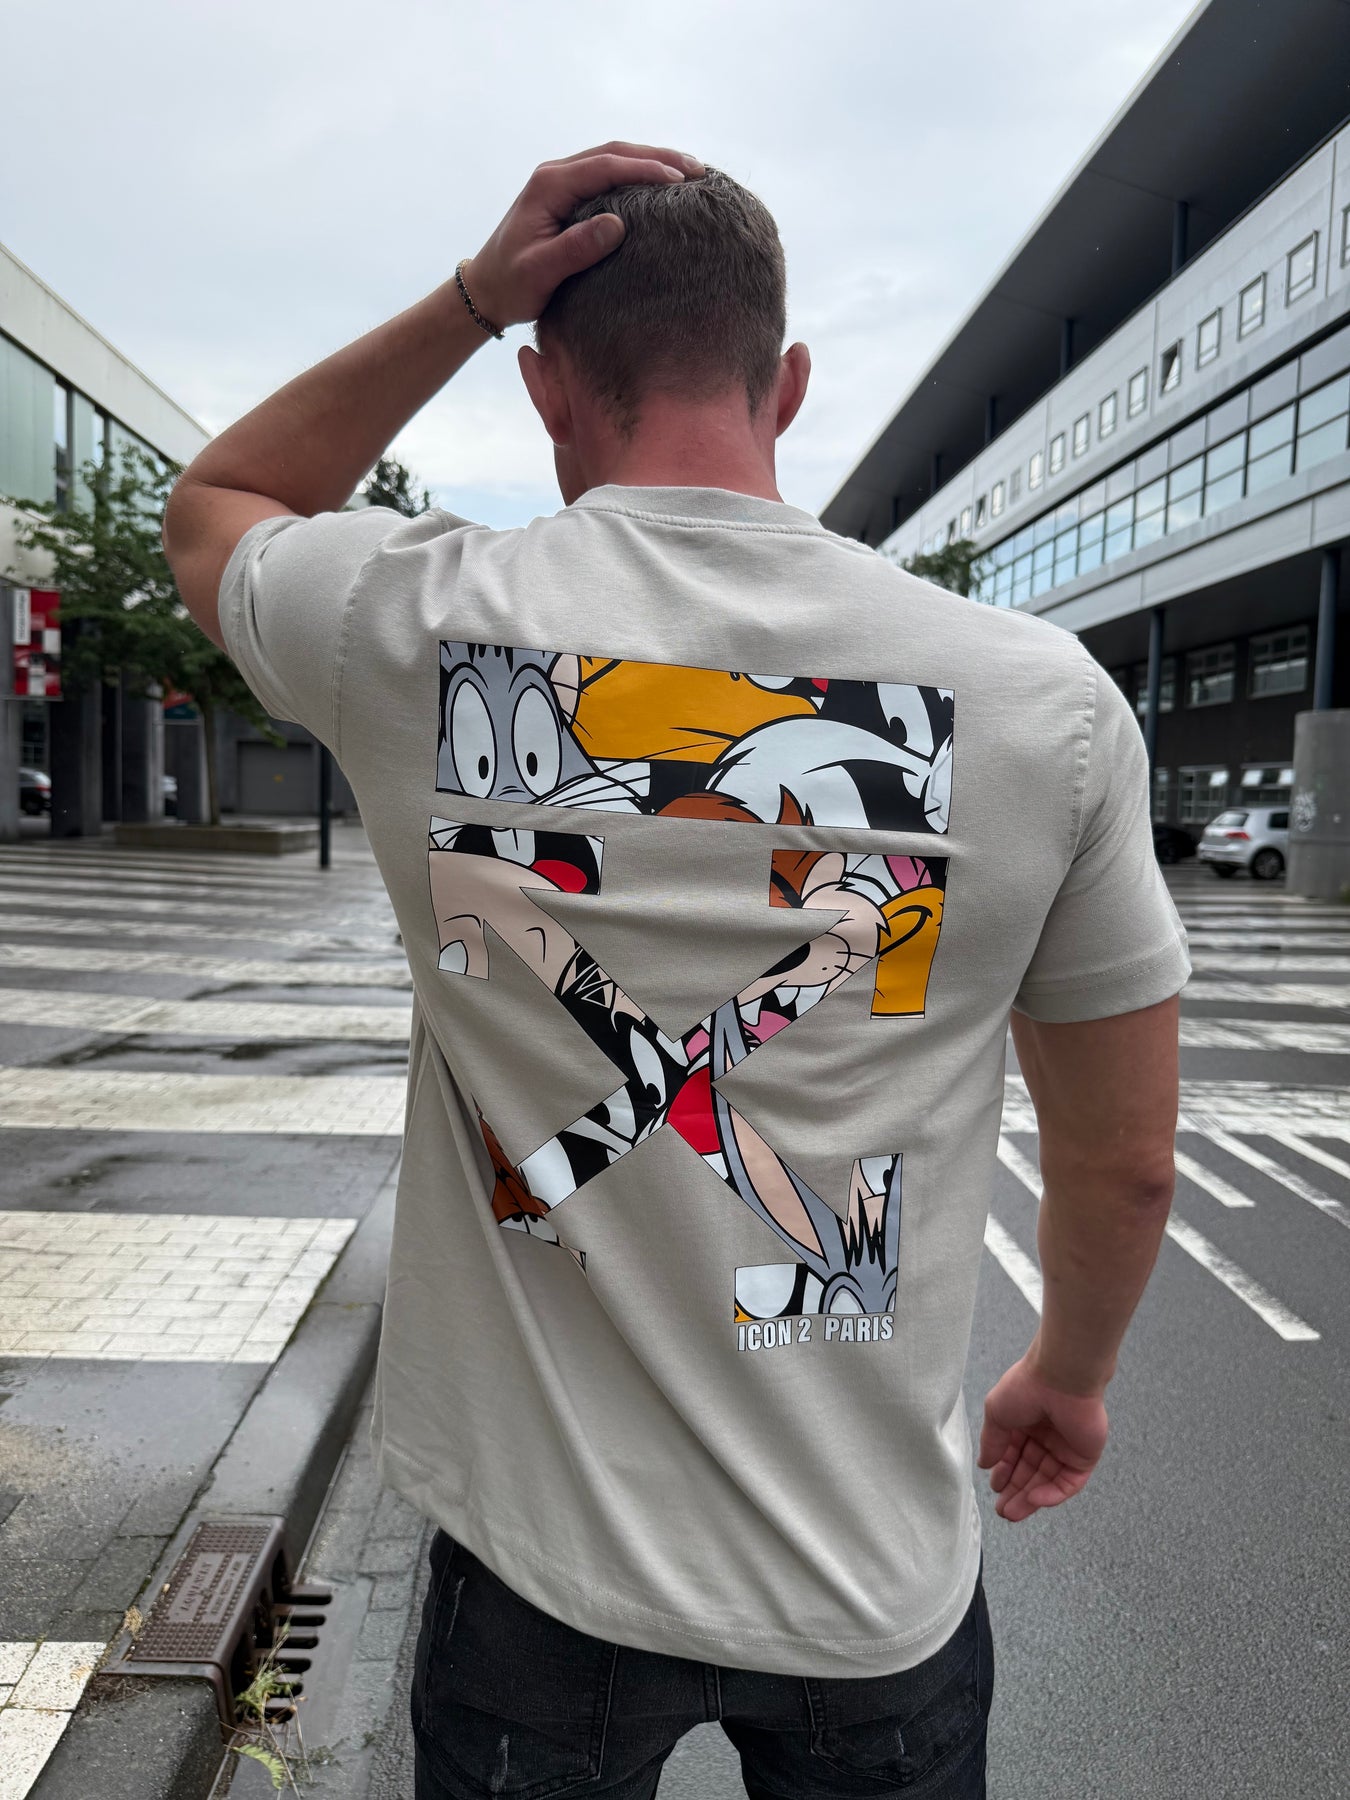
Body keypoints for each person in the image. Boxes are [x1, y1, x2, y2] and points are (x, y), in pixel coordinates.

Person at [163, 144, 1188, 1800]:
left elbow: (216, 504)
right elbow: (1125, 1160)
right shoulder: (1042, 703)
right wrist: (1066, 1377)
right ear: (788, 383)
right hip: (867, 1569)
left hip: (540, 1563)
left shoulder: (411, 625)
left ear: (545, 389)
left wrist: (465, 300)